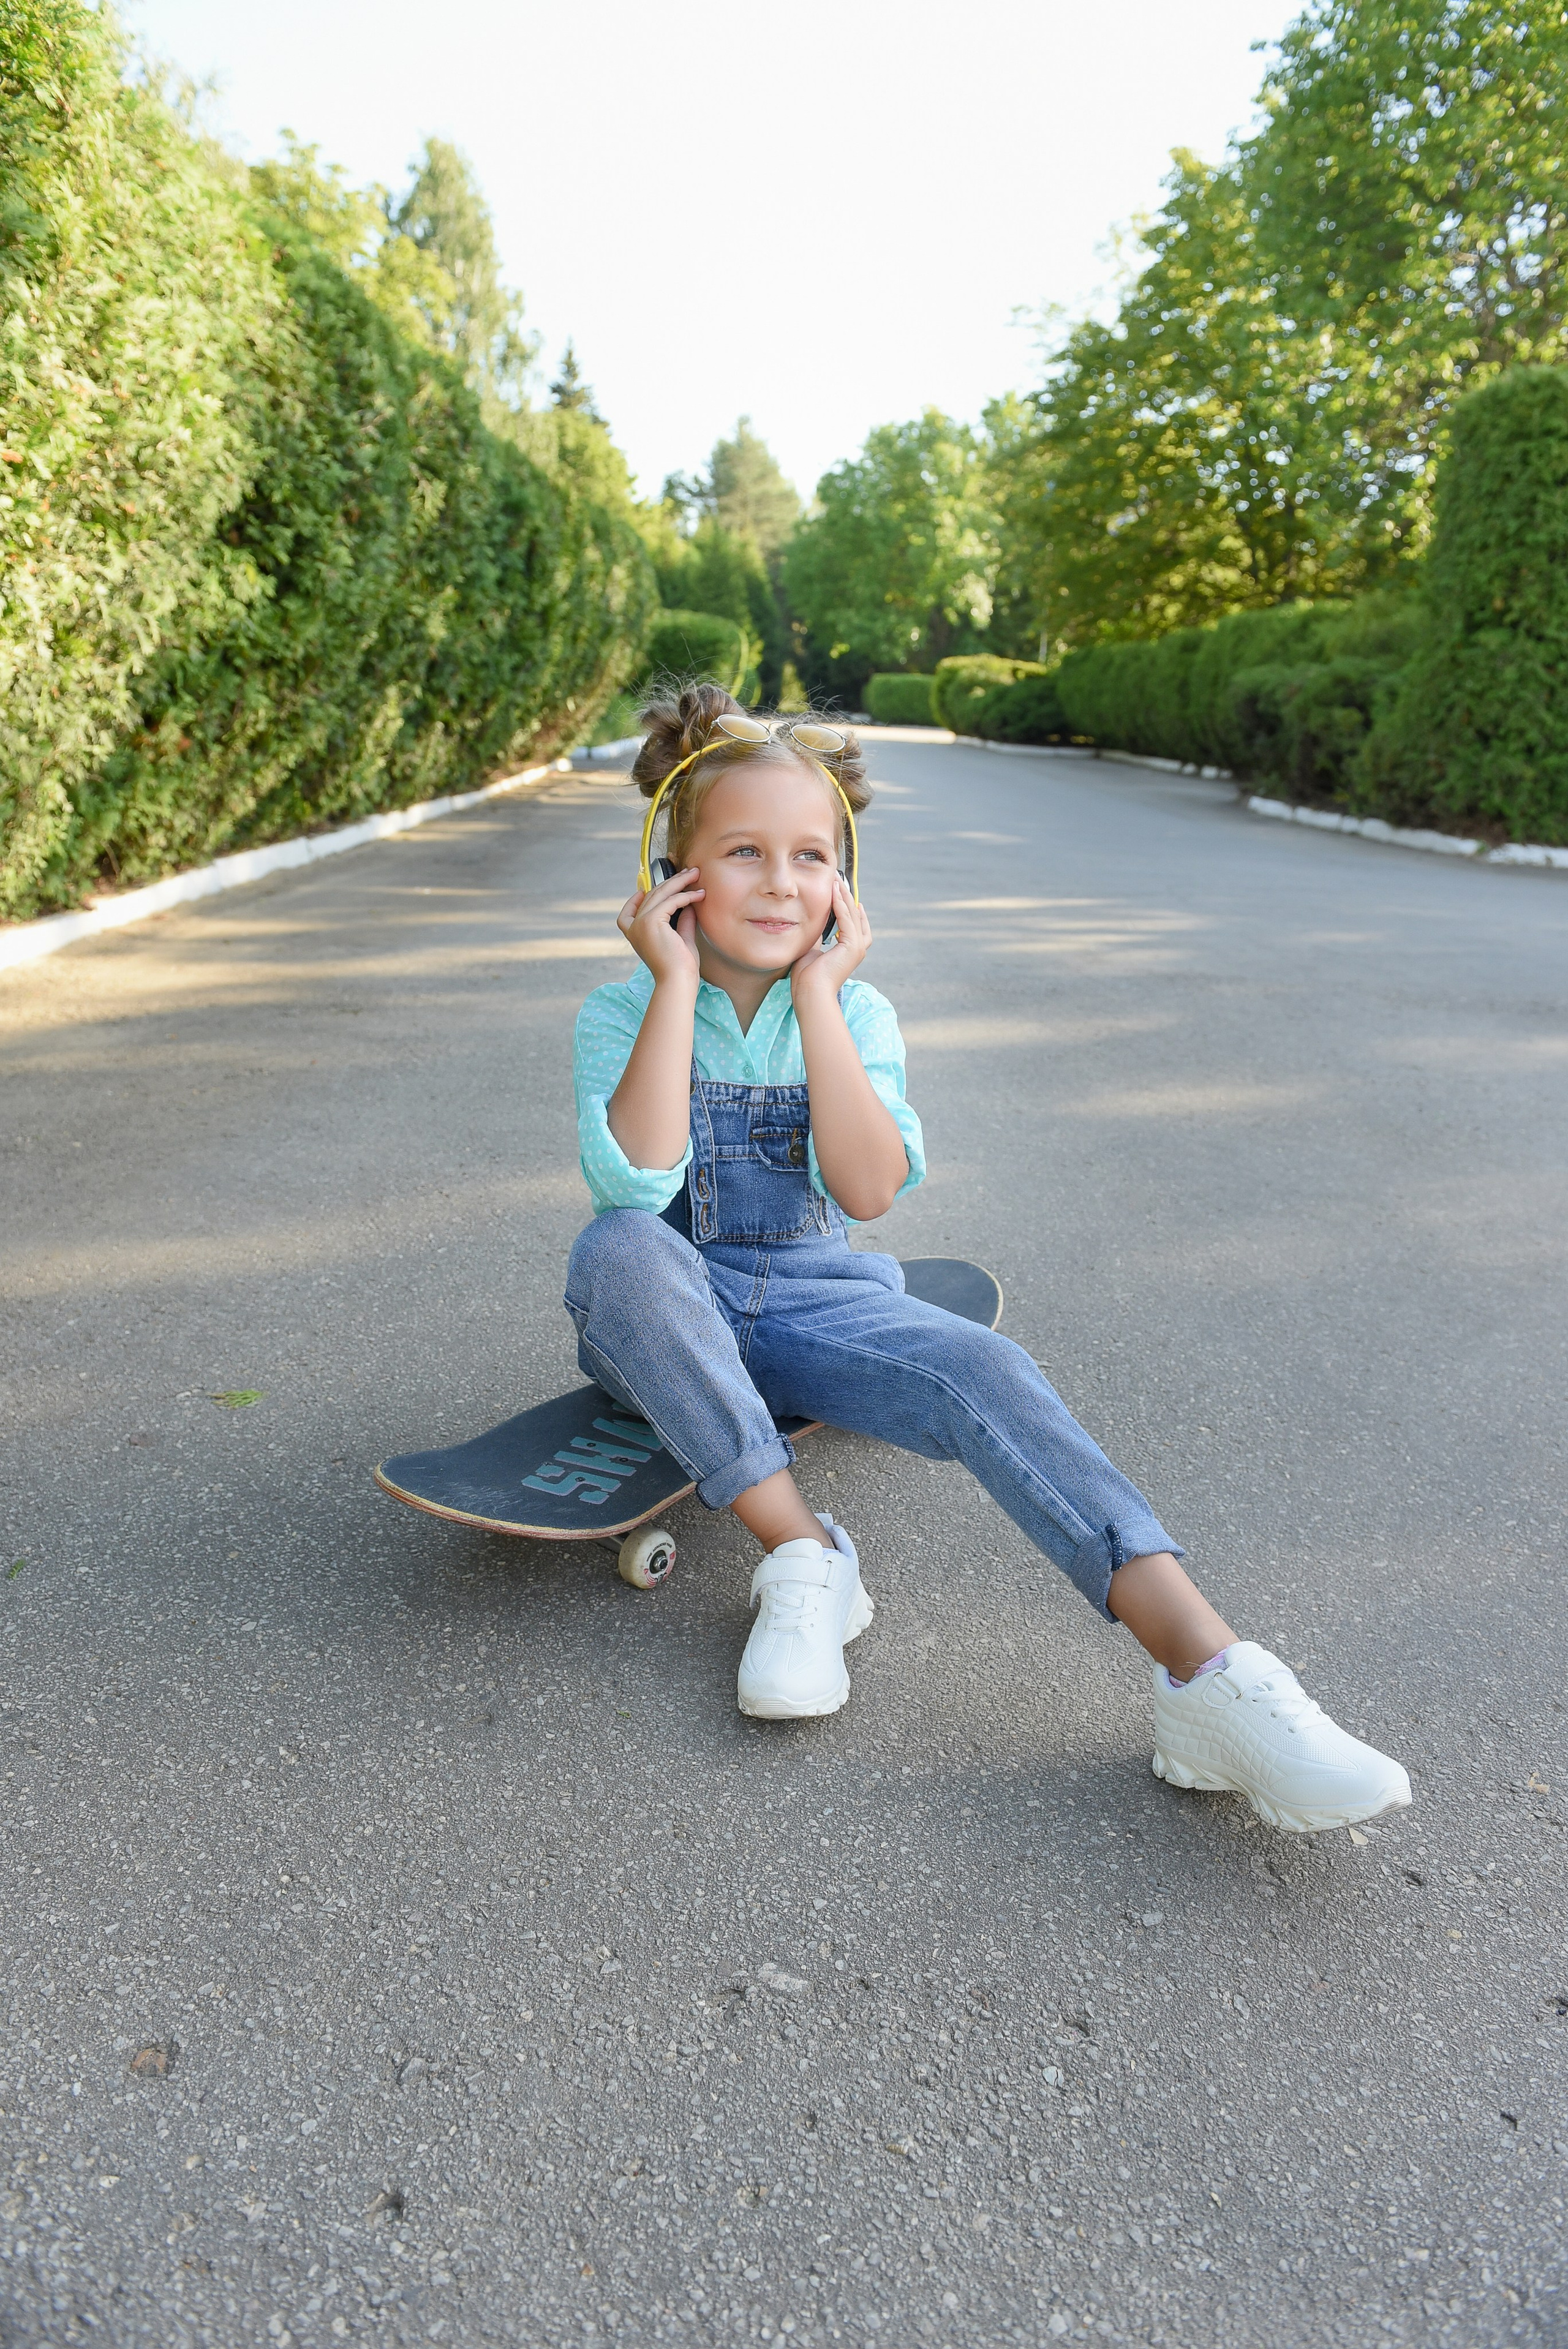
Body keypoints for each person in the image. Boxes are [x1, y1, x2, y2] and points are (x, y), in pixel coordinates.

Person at [565, 683, 1410, 1834]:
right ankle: (807, 1558)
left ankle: (1213, 1682)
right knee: (618, 1248)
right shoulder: (622, 1012)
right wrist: (674, 986)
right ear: (674, 873)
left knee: (988, 1371)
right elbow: (634, 1184)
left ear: (844, 884)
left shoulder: (858, 1016)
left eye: (811, 856)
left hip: (819, 1302)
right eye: (744, 852)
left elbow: (868, 1191)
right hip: (670, 1313)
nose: (780, 883)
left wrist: (819, 1000)